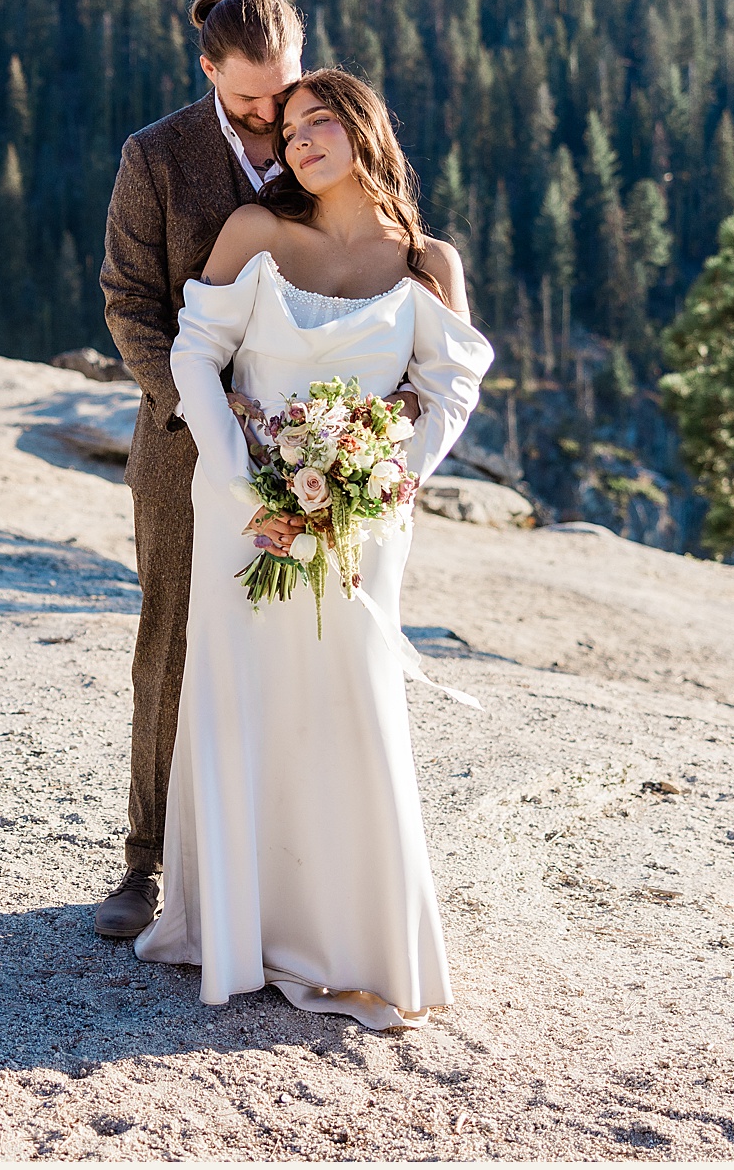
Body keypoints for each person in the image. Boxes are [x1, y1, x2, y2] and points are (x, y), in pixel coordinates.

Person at [132, 66, 492, 1031]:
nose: (297, 140)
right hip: (242, 507)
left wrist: (369, 483)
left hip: (363, 524)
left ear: (364, 128)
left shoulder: (429, 263)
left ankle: (357, 941)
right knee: (245, 699)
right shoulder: (254, 234)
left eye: (318, 120)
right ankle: (233, 928)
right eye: (287, 129)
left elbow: (448, 388)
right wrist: (246, 477)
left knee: (352, 705)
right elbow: (195, 354)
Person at [95, 0, 303, 939]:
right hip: (181, 446)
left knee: (292, 648)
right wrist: (203, 408)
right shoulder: (156, 156)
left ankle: (272, 868)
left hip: (307, 444)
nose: (271, 115)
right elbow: (129, 303)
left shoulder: (321, 133)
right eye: (249, 95)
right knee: (171, 646)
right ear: (209, 68)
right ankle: (145, 863)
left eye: (284, 88)